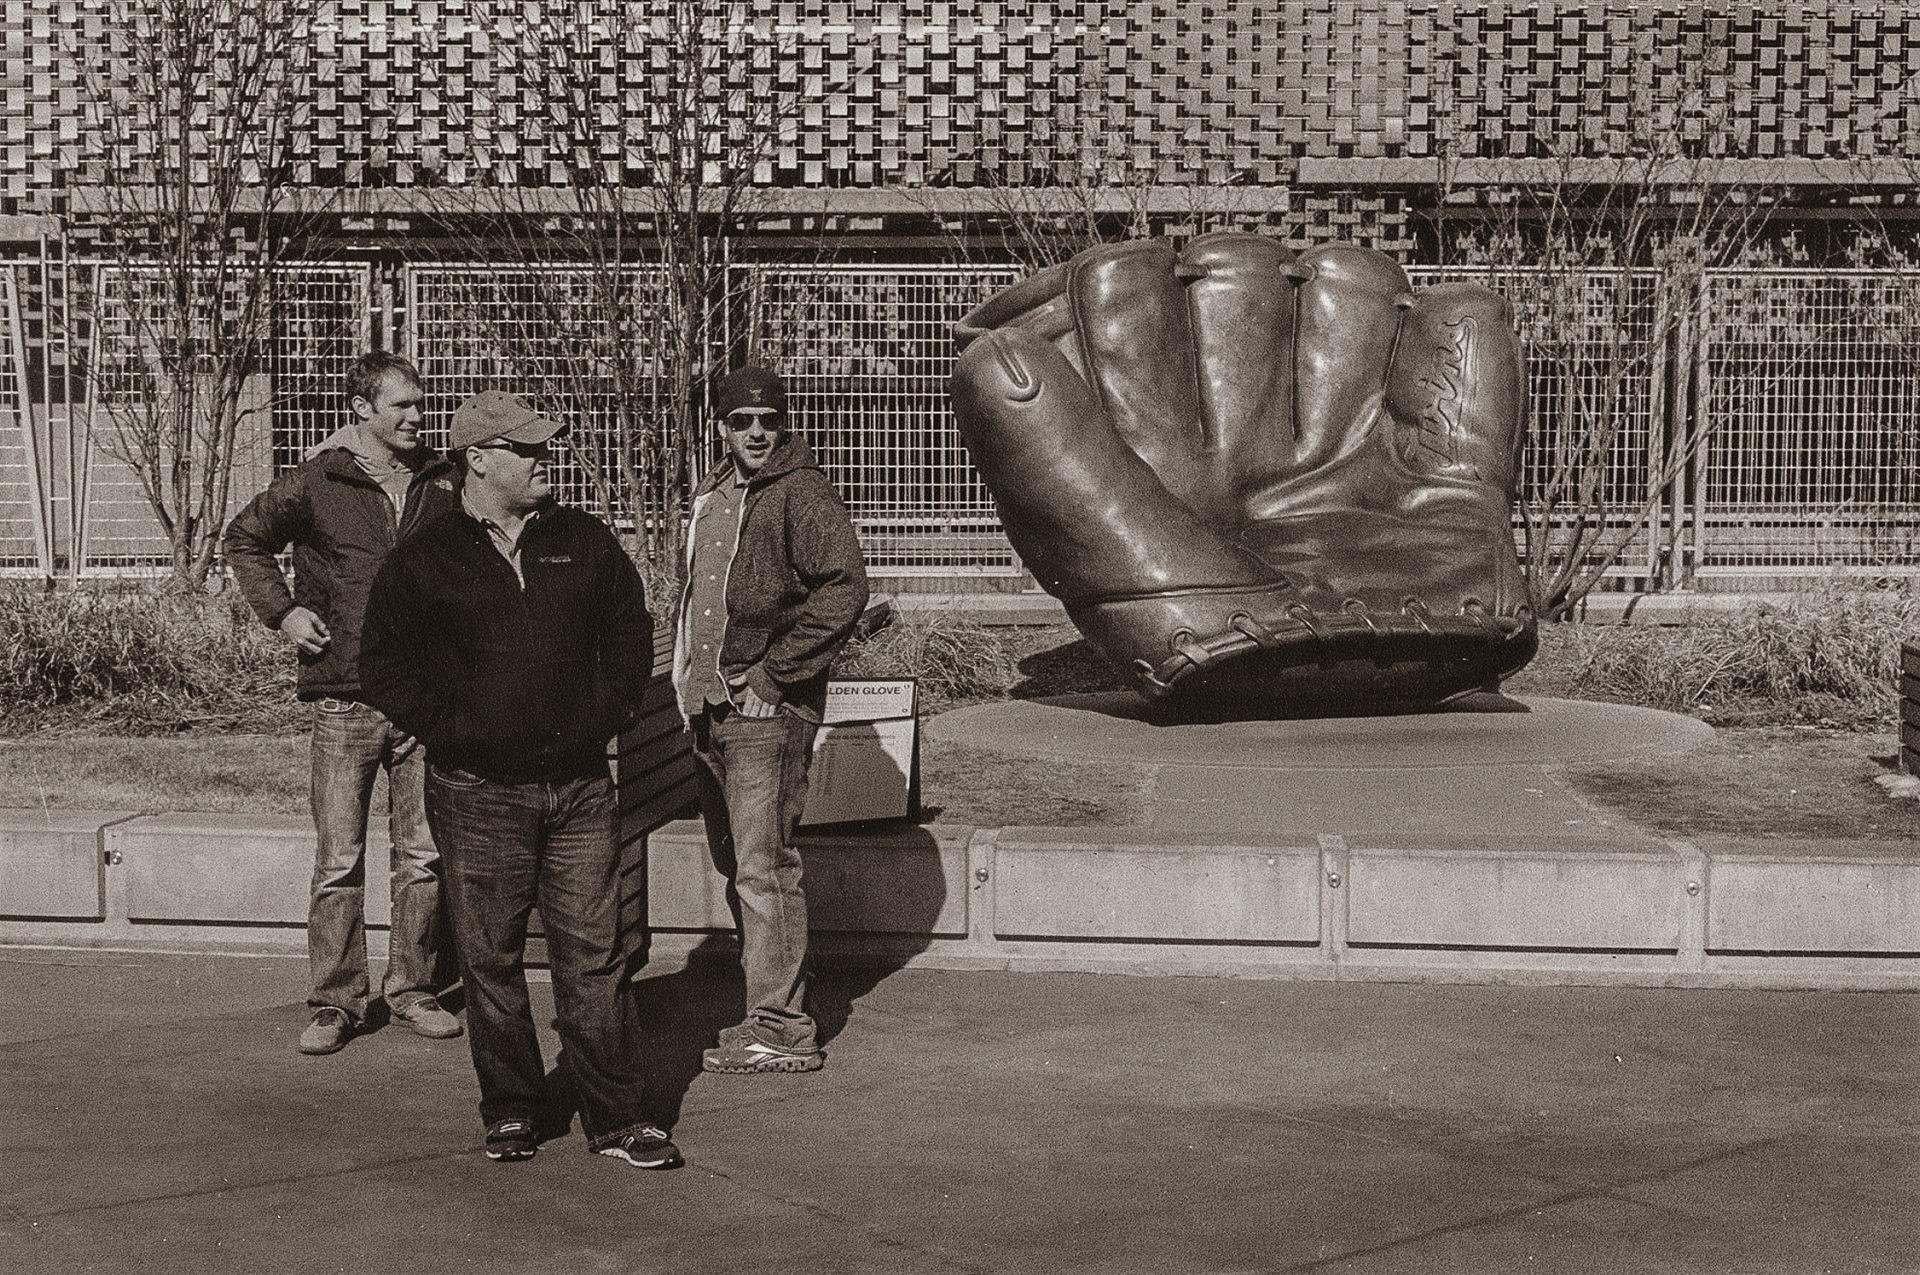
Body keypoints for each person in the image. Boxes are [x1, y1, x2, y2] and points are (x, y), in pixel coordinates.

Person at [359, 389, 680, 1170]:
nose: (545, 461)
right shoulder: (424, 556)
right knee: (491, 958)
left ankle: (618, 1116)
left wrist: (600, 715)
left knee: (594, 954)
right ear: (479, 459)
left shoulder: (585, 539)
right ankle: (511, 1108)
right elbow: (385, 668)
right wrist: (461, 730)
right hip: (476, 792)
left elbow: (628, 634)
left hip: (578, 790)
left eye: (545, 447)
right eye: (527, 449)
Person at [224, 351, 463, 1056]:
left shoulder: (440, 479)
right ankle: (335, 1001)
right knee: (339, 860)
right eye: (402, 406)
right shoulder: (319, 477)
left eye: (421, 403)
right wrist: (285, 613)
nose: (418, 417)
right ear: (363, 409)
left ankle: (413, 988)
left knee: (422, 856)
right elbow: (244, 538)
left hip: (422, 699)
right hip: (344, 698)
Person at [675, 365, 868, 1075]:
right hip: (708, 709)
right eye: (740, 420)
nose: (756, 431)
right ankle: (774, 1003)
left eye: (768, 418)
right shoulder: (712, 493)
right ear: (721, 426)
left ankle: (782, 1029)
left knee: (763, 870)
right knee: (740, 868)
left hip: (763, 711)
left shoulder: (801, 490)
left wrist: (772, 676)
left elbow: (845, 586)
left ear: (783, 421)